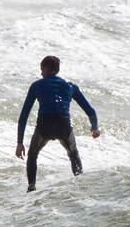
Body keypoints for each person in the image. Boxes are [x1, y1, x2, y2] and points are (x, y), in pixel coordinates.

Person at [15, 55, 101, 191]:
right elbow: (90, 111)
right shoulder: (70, 85)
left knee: (32, 155)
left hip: (45, 125)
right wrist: (95, 128)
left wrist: (20, 143)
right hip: (63, 125)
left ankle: (32, 186)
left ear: (45, 68)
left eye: (41, 69)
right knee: (74, 154)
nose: (40, 73)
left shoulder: (36, 85)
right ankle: (80, 185)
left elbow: (24, 115)